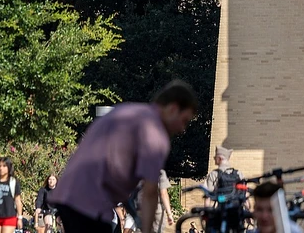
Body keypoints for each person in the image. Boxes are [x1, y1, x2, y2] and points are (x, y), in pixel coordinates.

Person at [49, 81, 198, 233]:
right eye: (184, 121)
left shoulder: (124, 111)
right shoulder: (156, 134)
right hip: (91, 203)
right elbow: (150, 192)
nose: (182, 129)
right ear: (173, 109)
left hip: (68, 193)